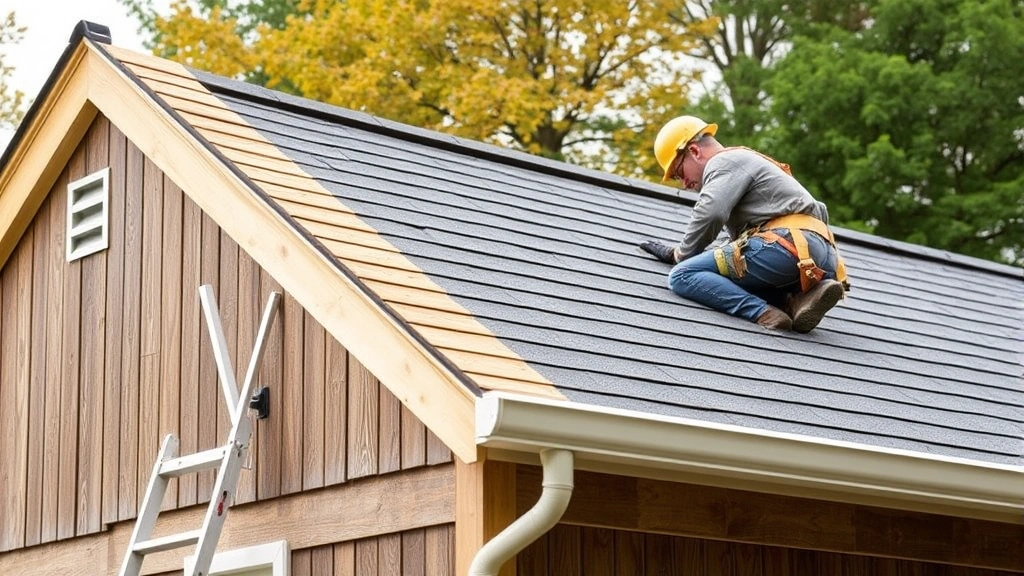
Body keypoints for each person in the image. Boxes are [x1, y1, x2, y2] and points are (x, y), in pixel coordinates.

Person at [639, 115, 849, 333]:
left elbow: (710, 213)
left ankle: (763, 312)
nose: (684, 184)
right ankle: (793, 300)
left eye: (679, 173)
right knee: (720, 278)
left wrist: (681, 254)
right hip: (823, 257)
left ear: (694, 151)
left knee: (683, 275)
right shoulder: (747, 161)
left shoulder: (723, 162)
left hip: (786, 248)